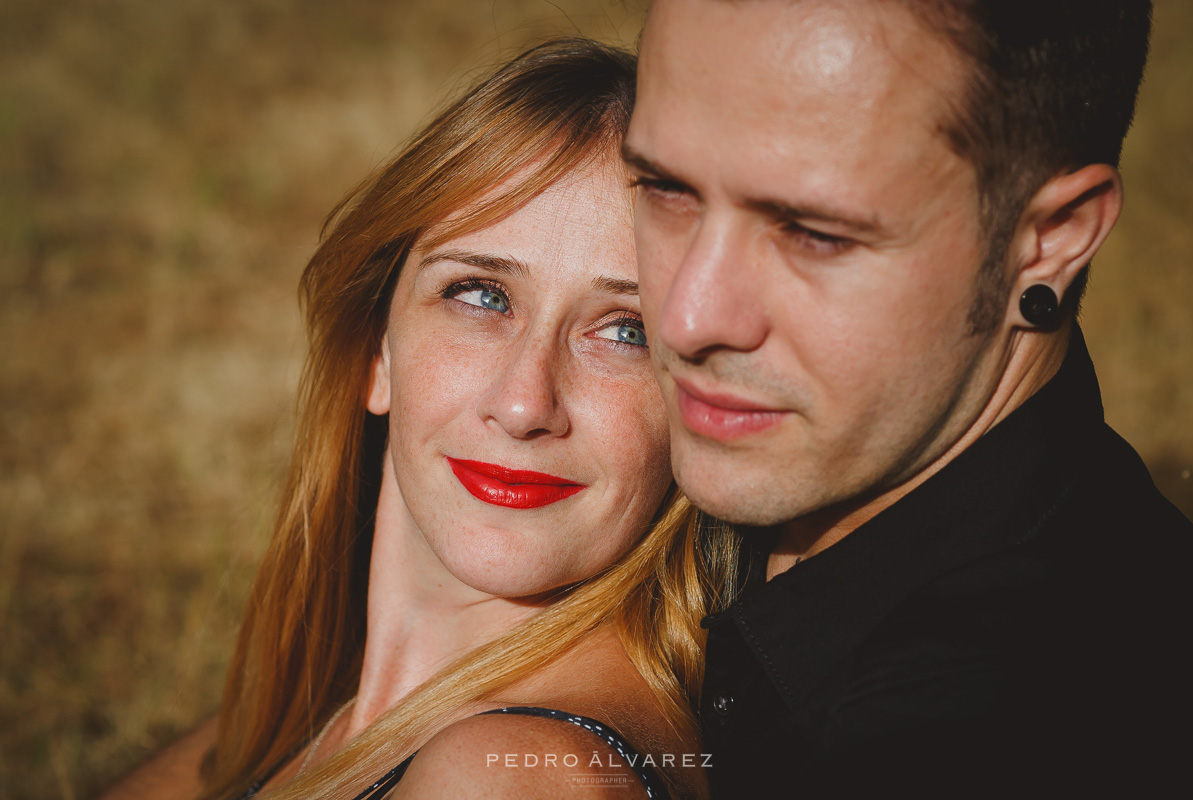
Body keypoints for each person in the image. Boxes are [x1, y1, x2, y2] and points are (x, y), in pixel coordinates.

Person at [101, 38, 737, 800]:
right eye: (480, 295)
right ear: (378, 351)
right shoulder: (300, 732)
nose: (524, 402)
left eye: (626, 330)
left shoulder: (509, 776)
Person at [624, 0, 1193, 795]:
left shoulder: (965, 743)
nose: (686, 318)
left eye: (814, 233)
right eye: (665, 188)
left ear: (1052, 236)